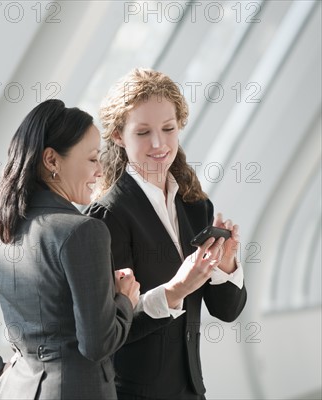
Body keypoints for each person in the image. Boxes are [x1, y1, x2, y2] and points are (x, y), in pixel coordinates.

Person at [0, 99, 141, 399]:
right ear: (52, 160)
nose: (100, 171)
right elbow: (97, 345)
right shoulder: (83, 231)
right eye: (92, 159)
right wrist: (124, 300)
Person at [86, 68, 248, 399]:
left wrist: (226, 266)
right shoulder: (107, 216)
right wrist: (176, 290)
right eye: (143, 132)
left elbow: (227, 311)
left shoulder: (195, 205)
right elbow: (107, 332)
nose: (158, 143)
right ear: (118, 135)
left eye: (168, 129)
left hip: (190, 391)